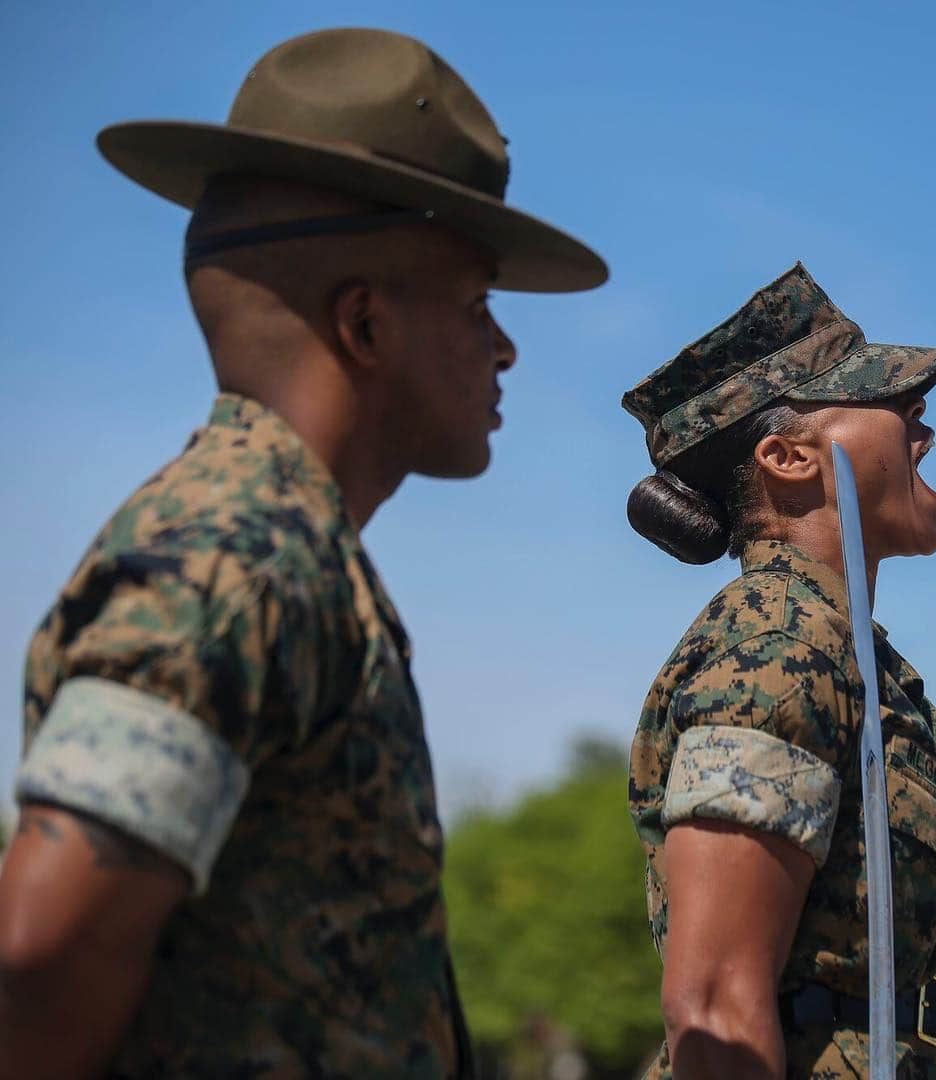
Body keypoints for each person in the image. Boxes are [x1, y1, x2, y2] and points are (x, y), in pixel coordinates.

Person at [0, 28, 606, 1078]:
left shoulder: (292, 552)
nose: (503, 347)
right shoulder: (235, 556)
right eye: (475, 305)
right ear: (366, 323)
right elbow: (45, 951)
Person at [622, 263, 936, 1078]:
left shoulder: (845, 648)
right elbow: (713, 998)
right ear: (788, 458)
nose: (918, 427)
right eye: (886, 405)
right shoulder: (776, 639)